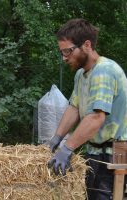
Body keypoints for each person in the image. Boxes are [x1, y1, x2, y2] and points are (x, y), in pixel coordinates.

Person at [47, 18, 127, 200]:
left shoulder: (104, 71)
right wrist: (57, 138)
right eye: (62, 52)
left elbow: (96, 118)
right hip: (97, 149)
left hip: (117, 151)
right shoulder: (81, 74)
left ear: (87, 45)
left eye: (68, 51)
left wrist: (67, 149)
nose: (64, 57)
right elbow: (74, 107)